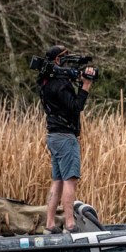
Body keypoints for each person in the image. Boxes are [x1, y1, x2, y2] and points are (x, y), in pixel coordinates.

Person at [39, 45, 96, 233]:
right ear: (57, 60)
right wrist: (86, 86)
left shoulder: (46, 81)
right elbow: (76, 107)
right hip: (65, 137)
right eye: (65, 58)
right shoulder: (60, 84)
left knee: (57, 181)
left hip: (53, 136)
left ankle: (50, 224)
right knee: (70, 180)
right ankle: (70, 224)